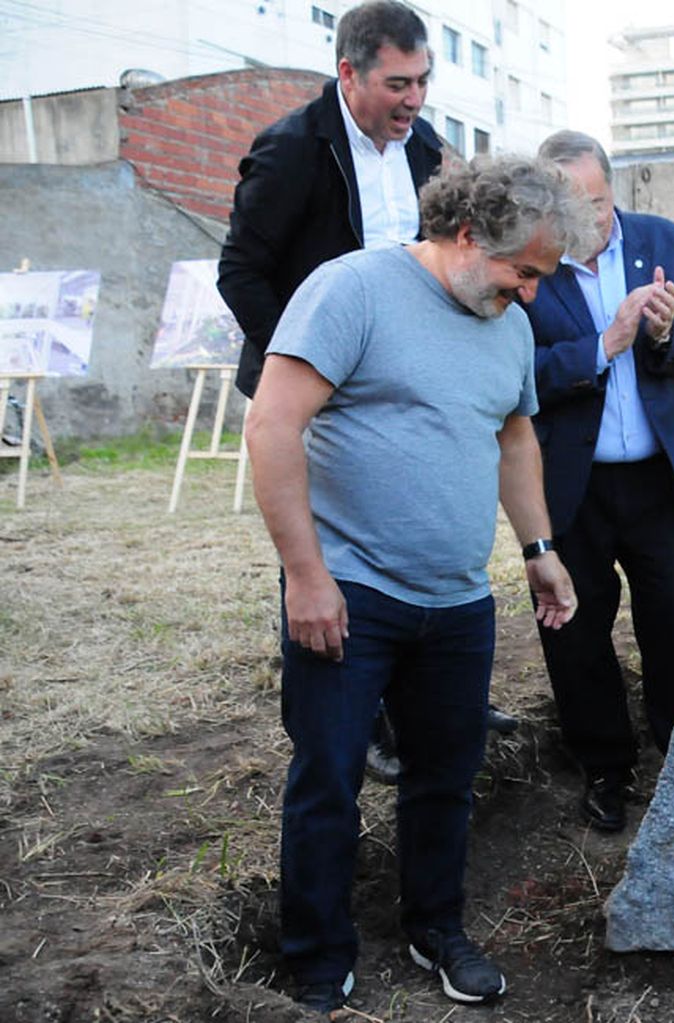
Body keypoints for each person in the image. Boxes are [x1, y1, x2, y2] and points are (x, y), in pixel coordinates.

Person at [244, 155, 592, 1013]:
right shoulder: (353, 290)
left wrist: (538, 543)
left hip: (458, 601)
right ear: (469, 236)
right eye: (526, 271)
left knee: (445, 777)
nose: (534, 294)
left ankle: (436, 927)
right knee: (328, 778)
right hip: (350, 592)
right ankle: (317, 957)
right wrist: (305, 575)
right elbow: (272, 423)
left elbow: (514, 440)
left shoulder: (507, 323)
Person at [218, 0, 519, 782]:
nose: (414, 100)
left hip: (413, 385)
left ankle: (432, 702)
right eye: (397, 83)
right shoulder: (290, 152)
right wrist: (312, 358)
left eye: (423, 81)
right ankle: (346, 721)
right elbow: (239, 272)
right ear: (348, 73)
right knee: (324, 549)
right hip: (321, 392)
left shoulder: (427, 150)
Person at [523, 130, 674, 832]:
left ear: (616, 190)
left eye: (599, 202)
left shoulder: (663, 240)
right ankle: (606, 766)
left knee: (673, 616)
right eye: (572, 208)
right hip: (570, 487)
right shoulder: (529, 260)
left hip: (655, 480)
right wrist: (603, 345)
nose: (590, 220)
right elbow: (516, 376)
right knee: (574, 631)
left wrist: (669, 336)